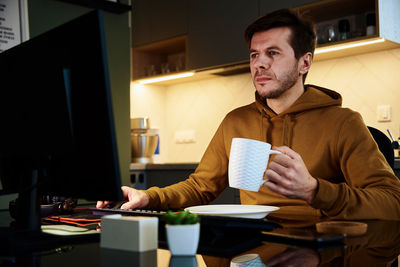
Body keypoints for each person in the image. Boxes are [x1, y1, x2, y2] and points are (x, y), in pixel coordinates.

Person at [98, 9, 400, 220]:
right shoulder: (236, 121)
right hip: (251, 247)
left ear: (304, 63)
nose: (259, 64)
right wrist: (148, 198)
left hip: (318, 248)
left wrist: (315, 190)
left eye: (273, 53)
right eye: (254, 54)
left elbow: (392, 202)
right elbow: (199, 186)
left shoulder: (343, 122)